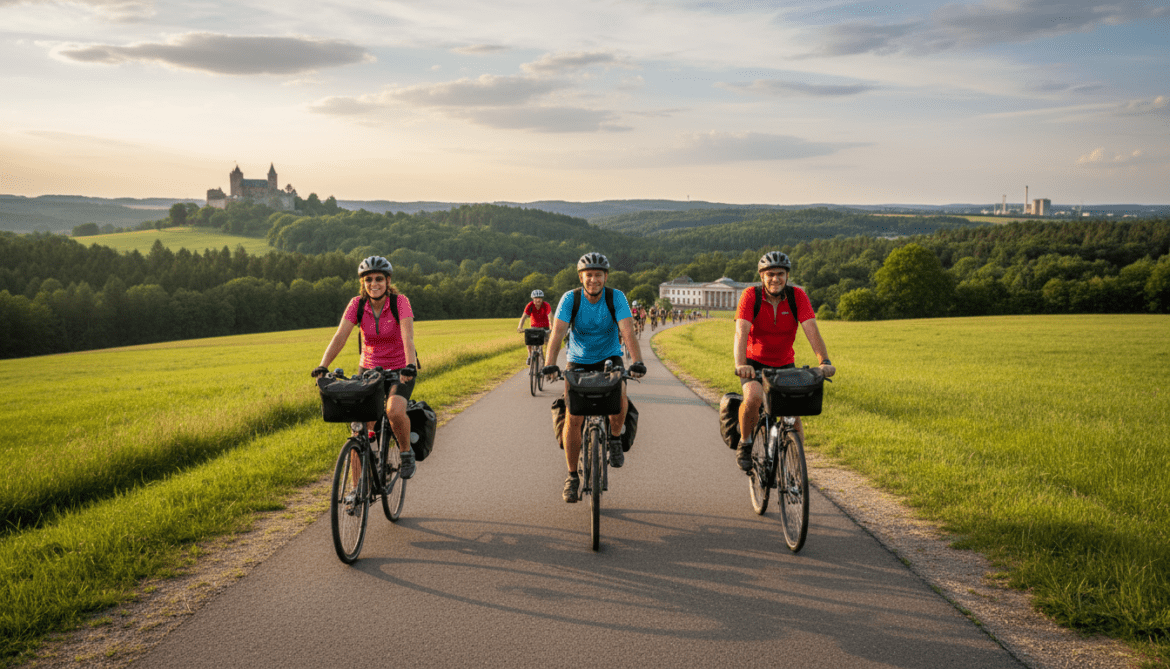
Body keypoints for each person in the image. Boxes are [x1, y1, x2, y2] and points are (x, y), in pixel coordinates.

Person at [543, 252, 647, 503]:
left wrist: (637, 362)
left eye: (598, 275)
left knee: (620, 394)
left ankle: (613, 439)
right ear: (581, 277)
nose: (593, 280)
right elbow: (557, 334)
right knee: (574, 415)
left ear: (605, 277)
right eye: (588, 275)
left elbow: (627, 330)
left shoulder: (616, 297)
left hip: (610, 356)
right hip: (578, 359)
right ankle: (571, 476)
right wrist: (549, 365)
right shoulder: (571, 299)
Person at [311, 256, 420, 479]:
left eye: (379, 278)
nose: (374, 283)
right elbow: (340, 336)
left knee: (393, 411)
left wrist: (409, 366)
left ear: (388, 281)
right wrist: (323, 365)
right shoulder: (357, 304)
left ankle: (406, 453)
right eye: (368, 279)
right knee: (359, 429)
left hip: (400, 369)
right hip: (369, 370)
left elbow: (407, 337)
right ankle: (355, 492)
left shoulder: (400, 302)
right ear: (363, 282)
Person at [733, 251, 836, 472]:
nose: (775, 279)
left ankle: (796, 470)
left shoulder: (797, 296)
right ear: (762, 276)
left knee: (792, 417)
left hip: (784, 365)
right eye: (770, 274)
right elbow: (741, 332)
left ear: (787, 275)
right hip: (754, 363)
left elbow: (811, 329)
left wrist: (824, 361)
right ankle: (745, 442)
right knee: (753, 399)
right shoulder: (750, 296)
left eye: (780, 273)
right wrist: (741, 365)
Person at [517, 289, 552, 363]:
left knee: (548, 344)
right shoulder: (530, 305)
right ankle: (530, 355)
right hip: (534, 327)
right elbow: (523, 317)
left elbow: (550, 316)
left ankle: (548, 359)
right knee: (529, 340)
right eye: (536, 299)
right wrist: (520, 327)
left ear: (542, 299)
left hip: (545, 327)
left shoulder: (546, 305)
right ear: (533, 299)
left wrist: (551, 327)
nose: (538, 301)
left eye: (539, 299)